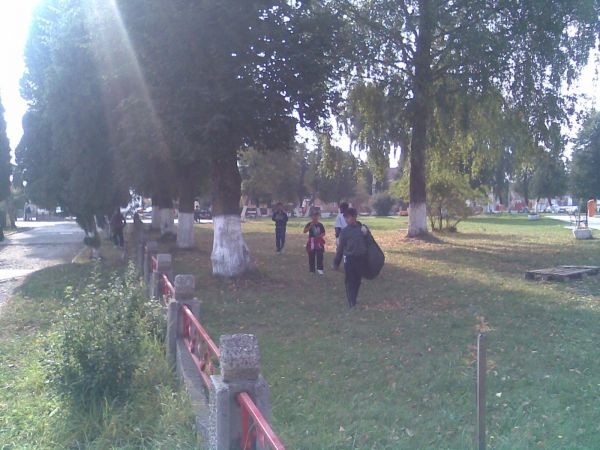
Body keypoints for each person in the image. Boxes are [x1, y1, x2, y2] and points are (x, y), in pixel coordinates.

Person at [333, 207, 368, 308]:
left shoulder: (361, 229)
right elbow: (340, 249)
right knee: (349, 280)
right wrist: (336, 262)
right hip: (349, 259)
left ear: (354, 217)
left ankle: (354, 298)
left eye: (348, 218)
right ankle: (351, 301)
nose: (346, 220)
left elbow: (369, 243)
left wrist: (366, 234)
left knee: (357, 280)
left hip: (360, 259)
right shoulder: (344, 232)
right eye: (345, 218)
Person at [303, 210, 326, 274]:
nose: (315, 217)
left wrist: (319, 236)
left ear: (318, 217)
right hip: (311, 241)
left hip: (319, 241)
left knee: (320, 255)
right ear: (312, 217)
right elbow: (304, 231)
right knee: (311, 255)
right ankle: (312, 270)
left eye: (316, 216)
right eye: (314, 216)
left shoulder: (320, 225)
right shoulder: (309, 224)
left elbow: (323, 233)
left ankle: (320, 269)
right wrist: (310, 226)